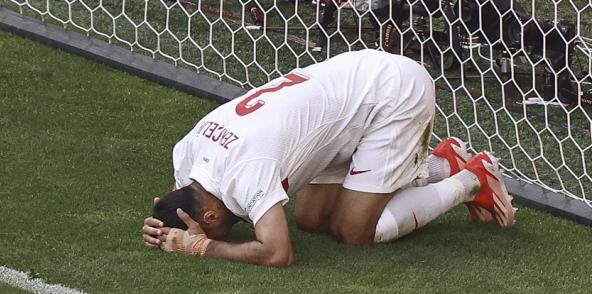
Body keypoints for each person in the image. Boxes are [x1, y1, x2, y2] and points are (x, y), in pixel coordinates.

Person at [142, 49, 515, 267]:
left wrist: (203, 246)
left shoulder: (246, 172)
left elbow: (277, 253)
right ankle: (442, 164)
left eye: (210, 226)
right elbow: (179, 197)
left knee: (353, 232)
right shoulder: (188, 152)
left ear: (210, 217)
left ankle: (472, 179)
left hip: (392, 94)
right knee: (311, 219)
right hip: (350, 94)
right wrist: (161, 222)